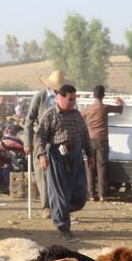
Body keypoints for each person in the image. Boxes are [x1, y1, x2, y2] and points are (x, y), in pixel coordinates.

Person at [33, 82, 91, 240]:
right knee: (60, 194)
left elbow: (85, 135)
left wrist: (90, 154)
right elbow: (40, 137)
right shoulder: (49, 115)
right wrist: (41, 155)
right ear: (59, 97)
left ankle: (59, 210)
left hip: (76, 157)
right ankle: (63, 226)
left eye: (74, 99)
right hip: (58, 157)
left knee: (80, 195)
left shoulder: (77, 115)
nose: (73, 102)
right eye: (70, 99)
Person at [24, 70, 67, 209]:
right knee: (42, 174)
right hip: (40, 140)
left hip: (58, 140)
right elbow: (29, 120)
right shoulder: (39, 97)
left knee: (58, 173)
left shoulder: (63, 97)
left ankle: (59, 205)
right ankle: (46, 207)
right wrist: (27, 143)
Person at [80, 85, 122, 201]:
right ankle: (102, 194)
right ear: (104, 95)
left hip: (89, 140)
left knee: (90, 166)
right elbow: (119, 109)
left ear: (93, 95)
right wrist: (120, 102)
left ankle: (91, 194)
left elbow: (79, 116)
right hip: (102, 140)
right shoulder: (105, 108)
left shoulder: (88, 109)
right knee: (102, 166)